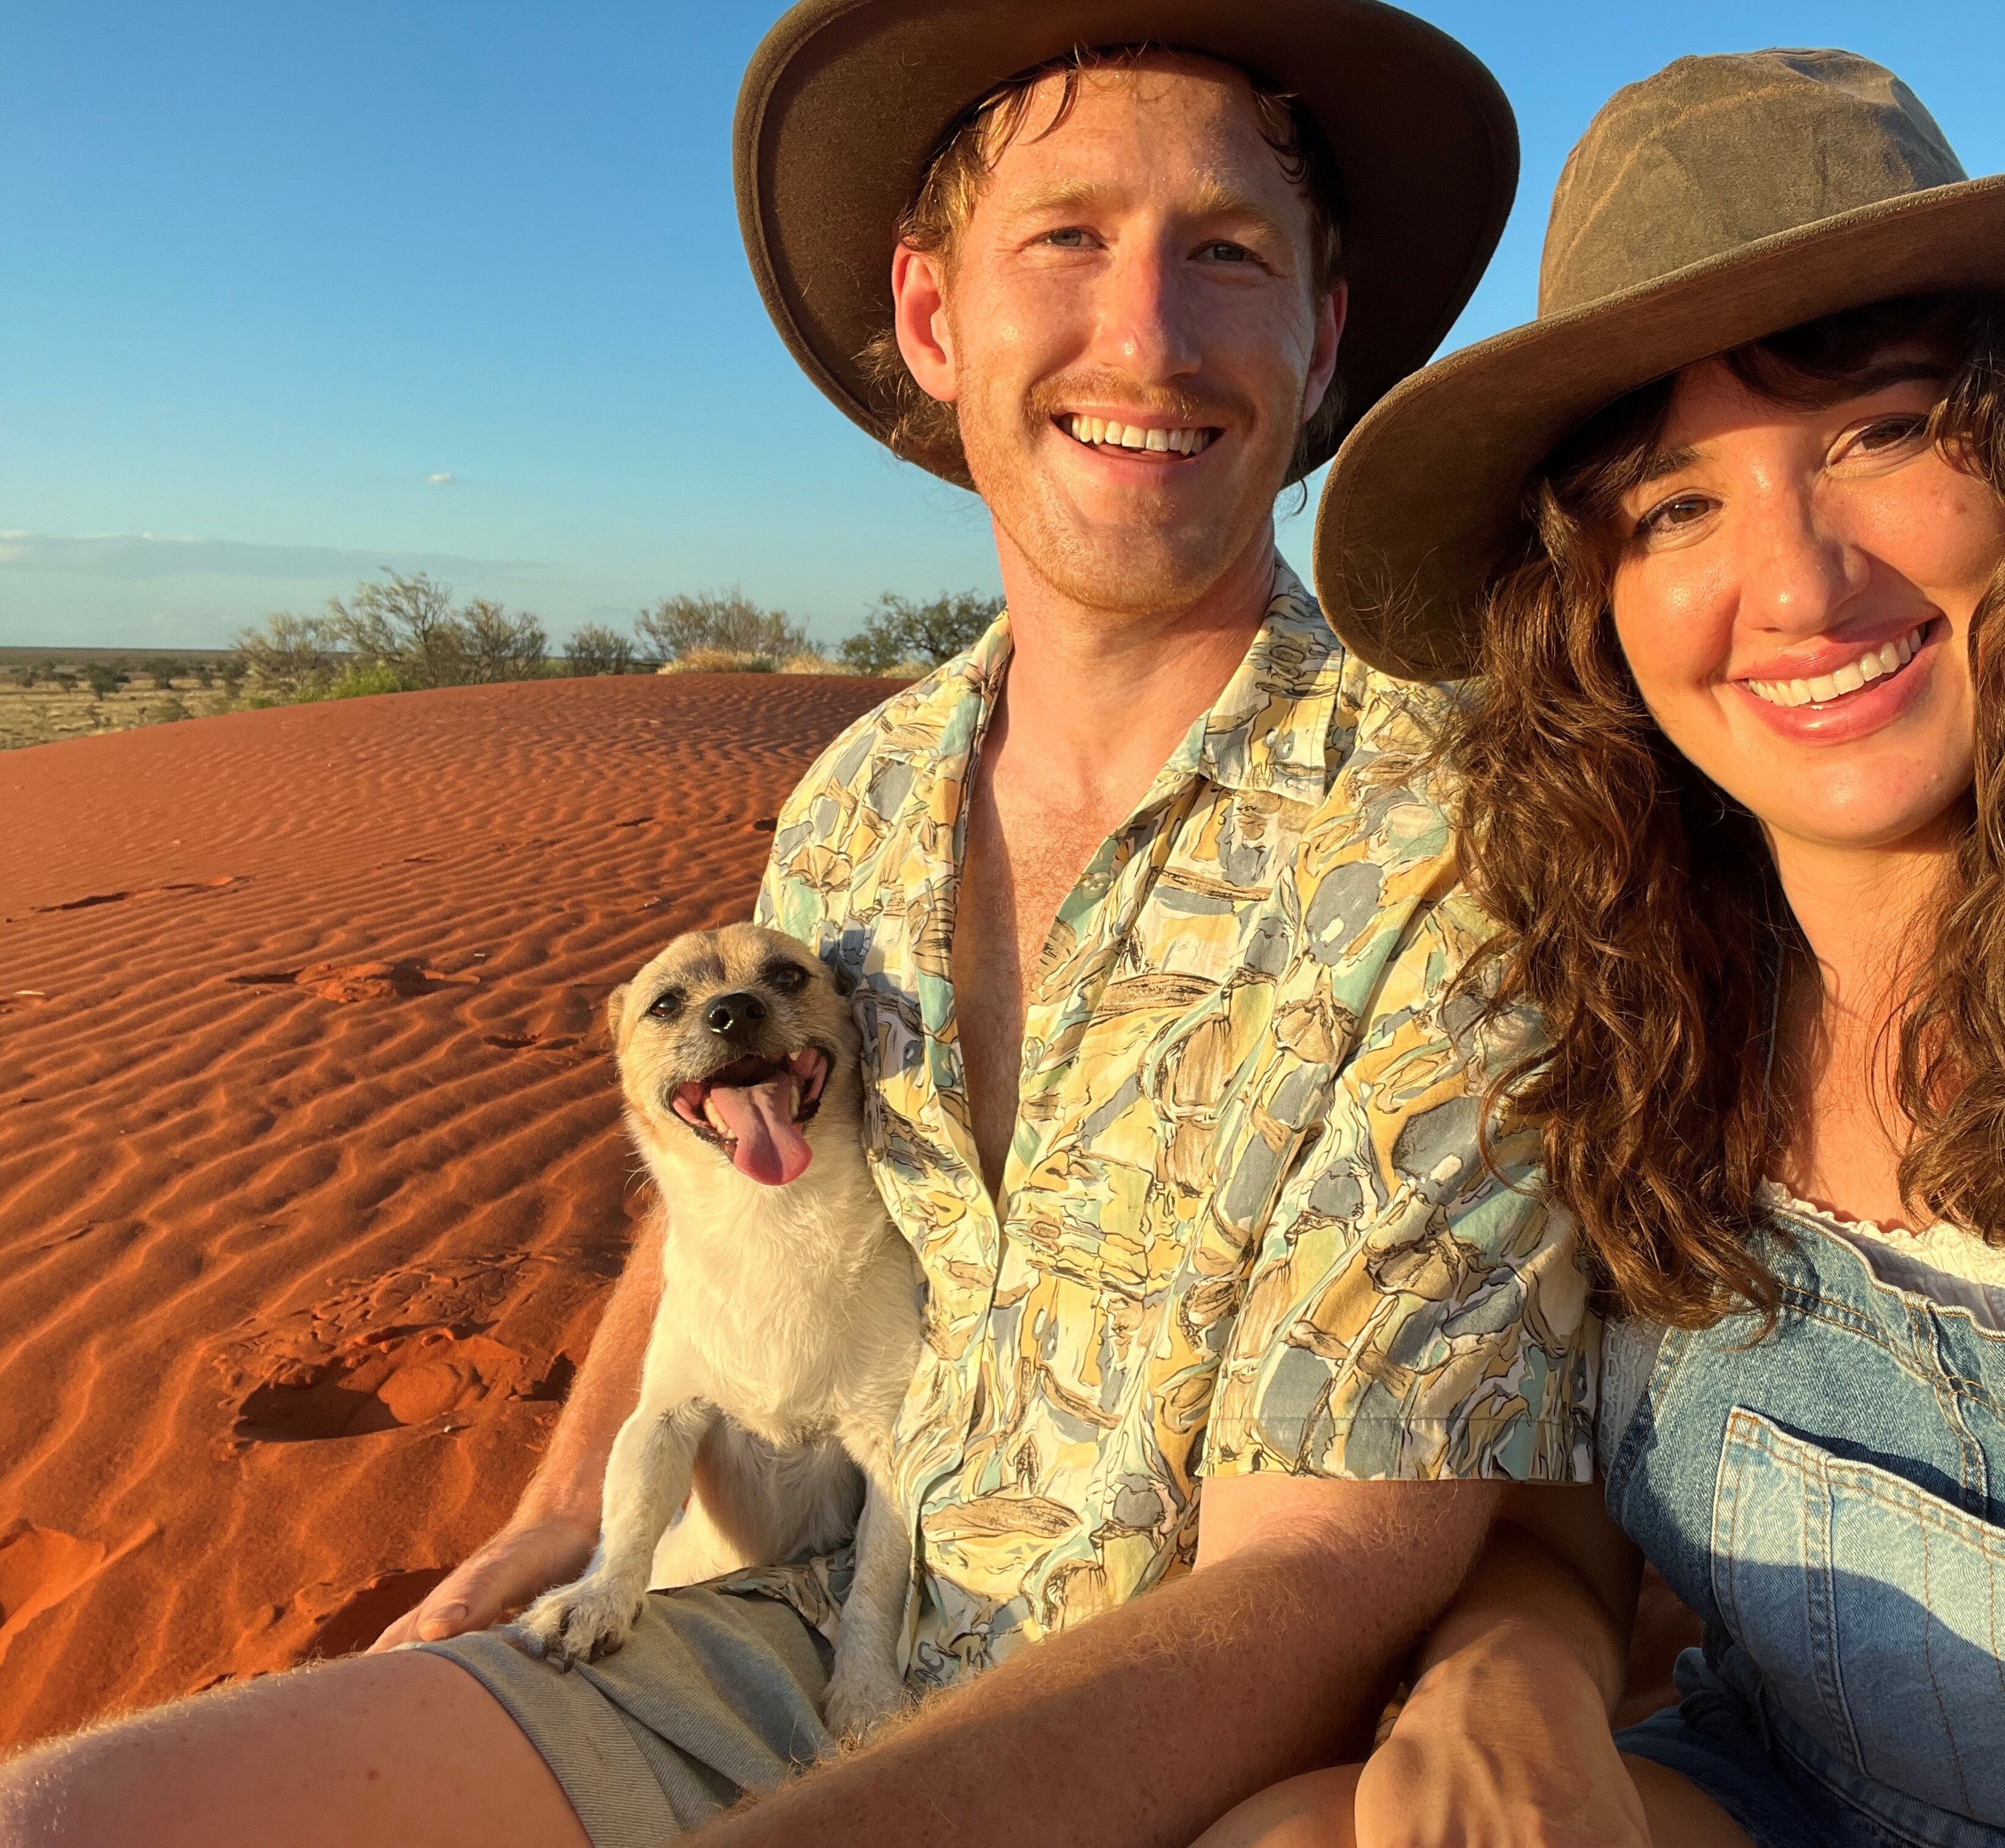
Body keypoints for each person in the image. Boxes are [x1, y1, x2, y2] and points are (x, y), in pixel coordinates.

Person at [0, 7, 1601, 1846]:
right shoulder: (855, 798)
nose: (1146, 333)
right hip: (781, 1628)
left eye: (1227, 254)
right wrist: (558, 1500)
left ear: (1320, 342)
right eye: (1066, 236)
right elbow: (727, 1191)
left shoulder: (1462, 837)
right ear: (936, 318)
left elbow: (1322, 1576)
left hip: (1180, 1732)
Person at [1211, 48, 2005, 1848]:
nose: (1797, 587)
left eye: (1881, 431)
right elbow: (1577, 1483)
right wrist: (1521, 1653)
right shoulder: (1652, 1007)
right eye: (1678, 506)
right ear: (1600, 609)